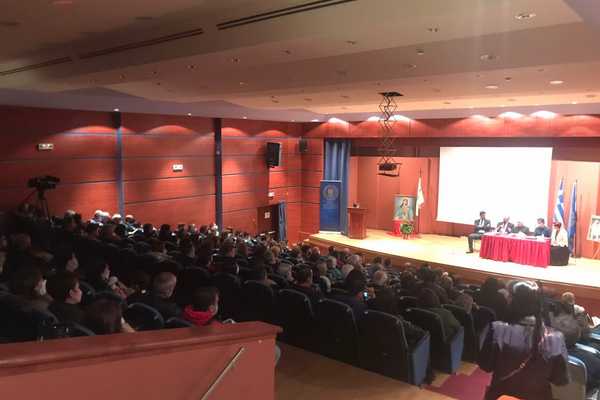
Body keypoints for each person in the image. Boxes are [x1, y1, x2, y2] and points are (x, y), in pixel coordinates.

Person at [478, 281, 569, 399]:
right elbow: (560, 380)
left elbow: (485, 365)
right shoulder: (556, 337)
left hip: (500, 396)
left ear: (512, 302)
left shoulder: (496, 329)